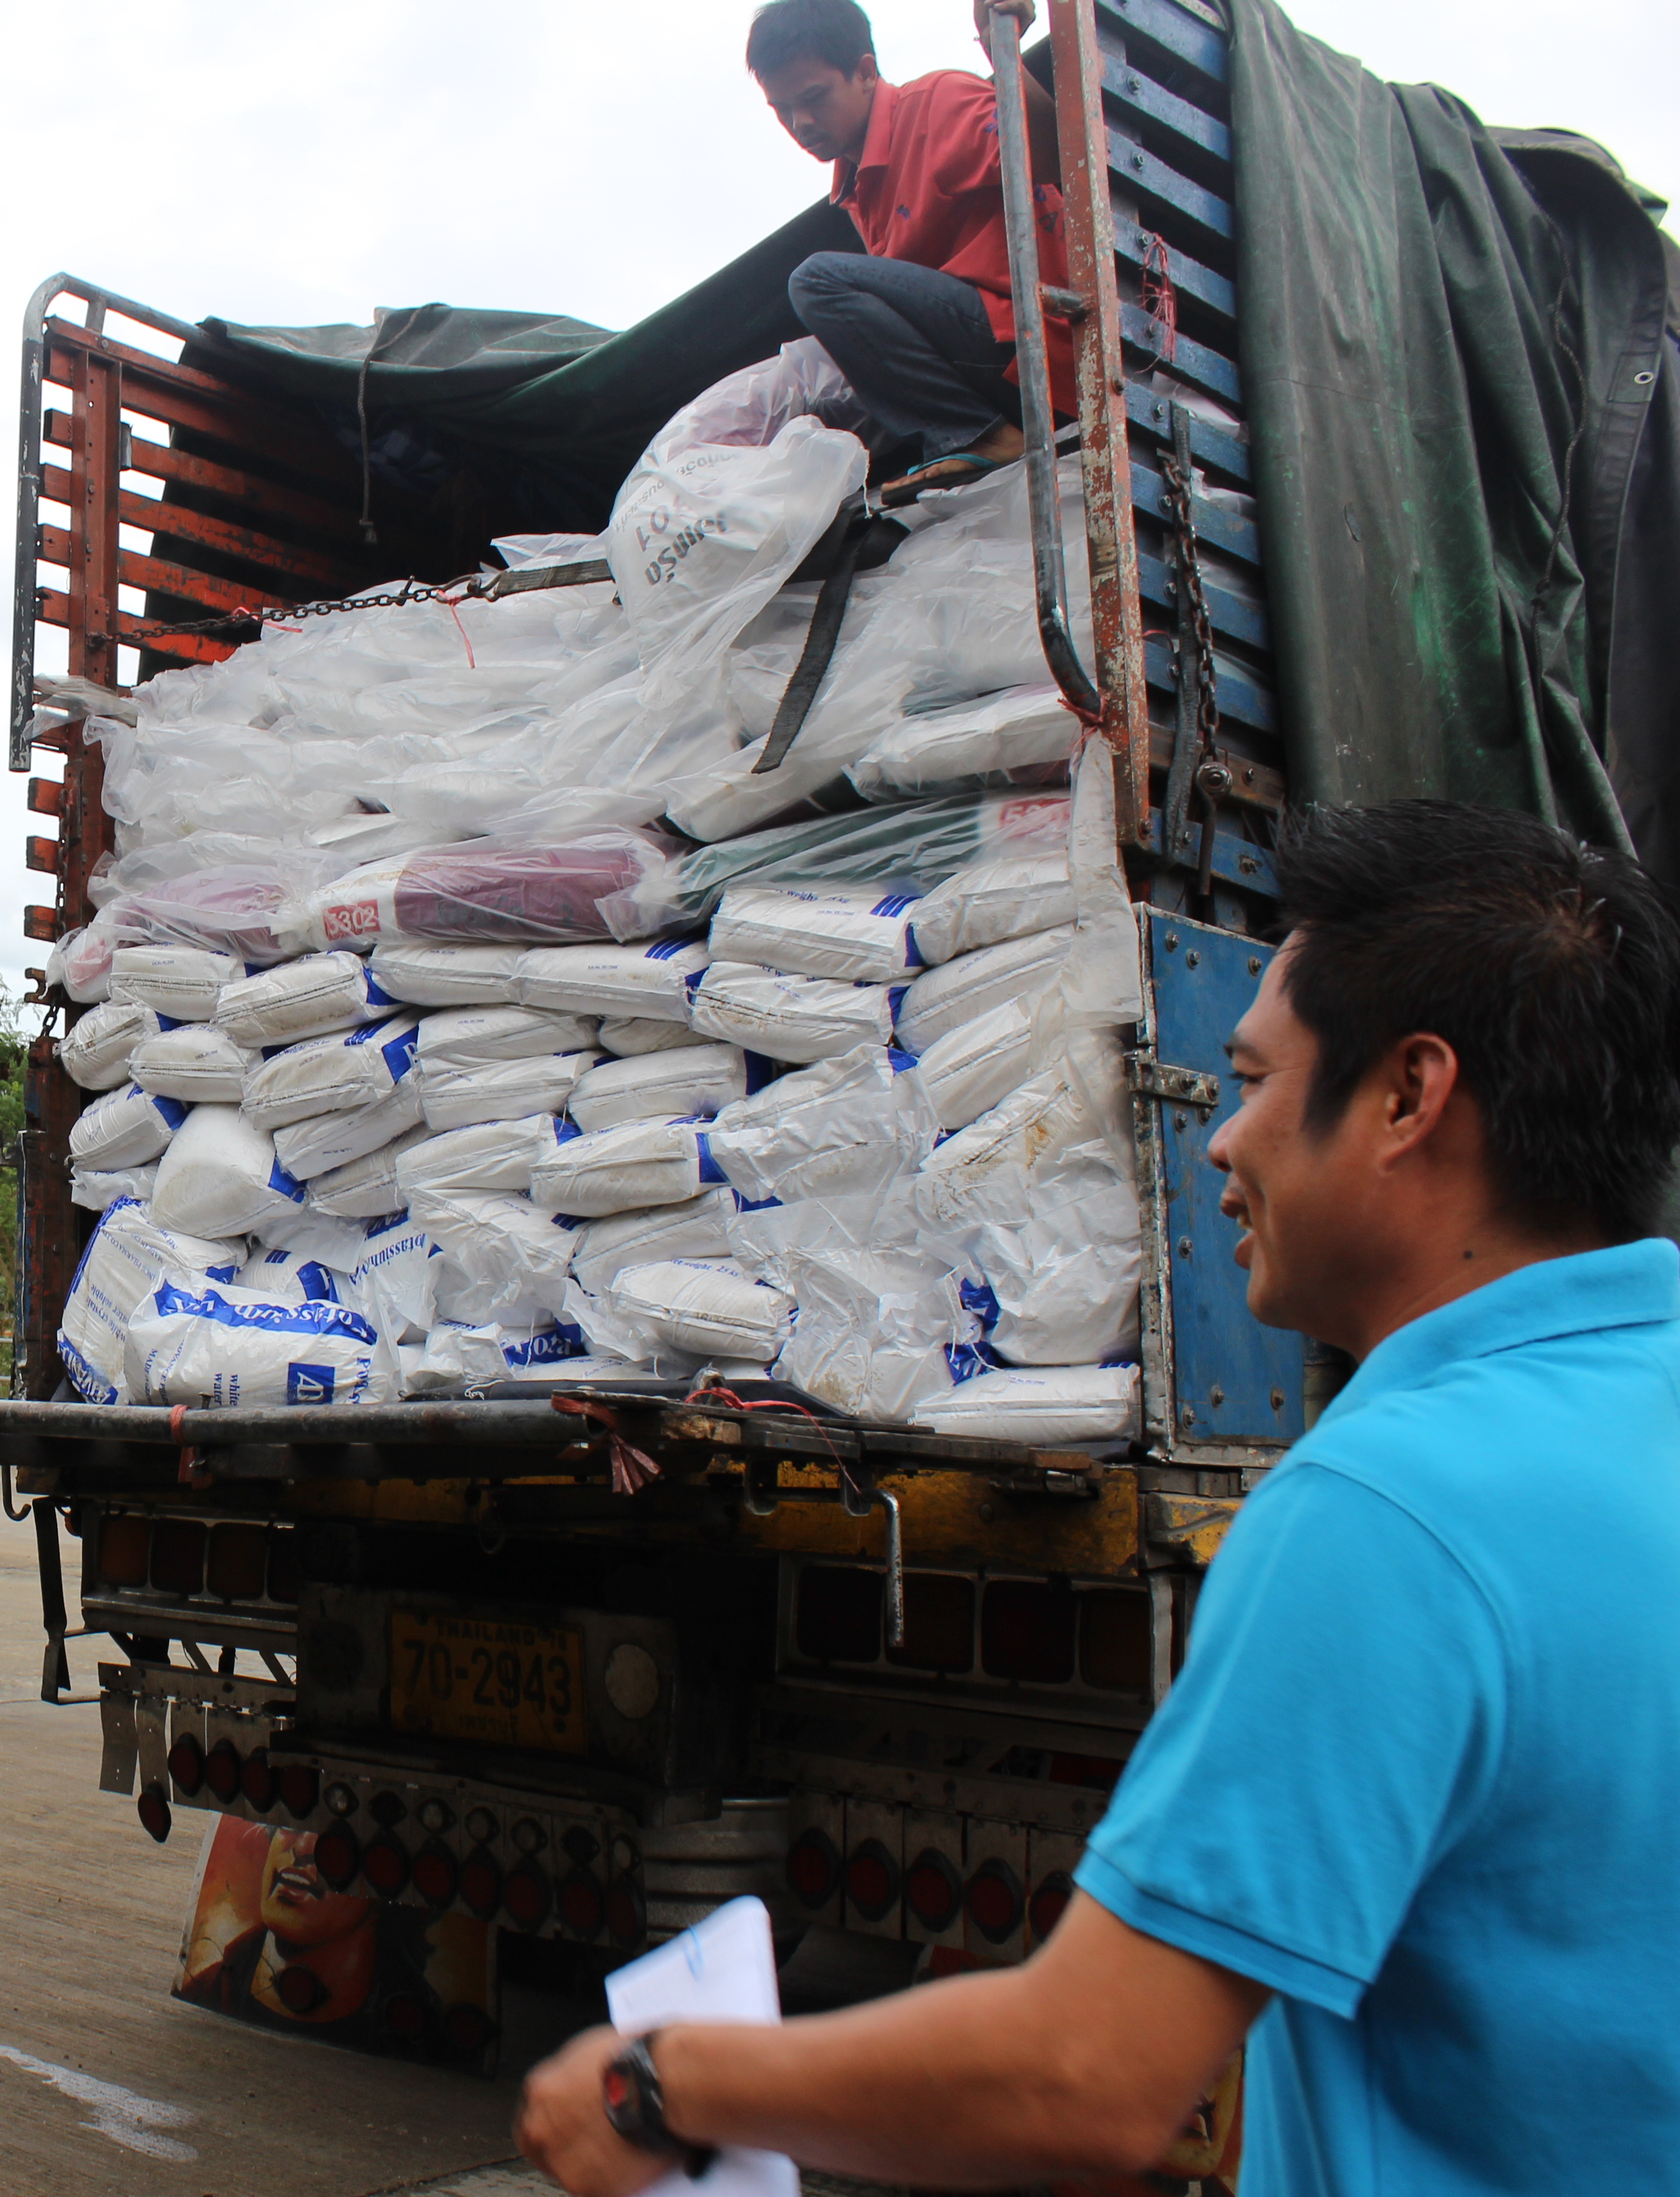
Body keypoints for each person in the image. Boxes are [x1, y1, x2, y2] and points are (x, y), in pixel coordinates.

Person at [514, 801, 1680, 2193]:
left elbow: (1090, 2074)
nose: (1222, 1143)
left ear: (1406, 1099)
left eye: (1254, 1080)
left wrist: (669, 2081)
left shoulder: (1387, 1513)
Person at [753, 0, 1074, 500]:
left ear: (864, 72)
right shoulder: (857, 189)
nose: (801, 121)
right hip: (987, 357)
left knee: (816, 281)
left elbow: (1056, 153)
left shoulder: (937, 104)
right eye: (783, 109)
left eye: (814, 97)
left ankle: (979, 435)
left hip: (1039, 338)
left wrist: (999, 50)